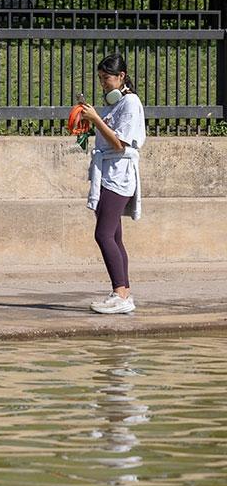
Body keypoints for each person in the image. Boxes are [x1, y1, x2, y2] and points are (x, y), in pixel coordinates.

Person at [80, 53, 145, 314]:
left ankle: (121, 294)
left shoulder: (131, 103)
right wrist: (90, 122)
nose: (103, 84)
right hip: (107, 173)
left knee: (103, 234)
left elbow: (120, 144)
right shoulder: (113, 105)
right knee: (115, 236)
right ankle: (123, 293)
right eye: (100, 79)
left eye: (106, 78)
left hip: (119, 175)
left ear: (121, 76)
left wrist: (96, 119)